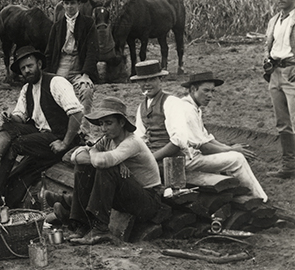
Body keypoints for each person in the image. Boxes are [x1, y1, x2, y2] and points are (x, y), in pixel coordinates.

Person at [0, 46, 84, 206]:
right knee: (9, 127)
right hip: (42, 135)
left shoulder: (56, 82)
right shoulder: (27, 89)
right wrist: (11, 117)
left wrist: (65, 142)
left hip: (61, 137)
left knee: (16, 145)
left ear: (39, 64)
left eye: (29, 66)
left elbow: (76, 113)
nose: (27, 71)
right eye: (23, 68)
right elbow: (21, 116)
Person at [142, 69, 268, 202]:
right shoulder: (186, 110)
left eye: (212, 91)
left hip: (191, 156)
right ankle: (260, 198)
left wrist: (228, 147)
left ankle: (241, 194)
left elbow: (207, 138)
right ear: (192, 89)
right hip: (186, 159)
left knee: (232, 155)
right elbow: (205, 147)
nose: (210, 95)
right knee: (237, 159)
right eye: (206, 91)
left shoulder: (193, 107)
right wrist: (232, 150)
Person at [67, 97, 169, 245]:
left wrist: (94, 152)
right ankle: (83, 224)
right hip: (127, 194)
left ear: (121, 123)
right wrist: (98, 154)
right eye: (101, 124)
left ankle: (100, 229)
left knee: (106, 169)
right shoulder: (107, 139)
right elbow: (74, 157)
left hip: (147, 201)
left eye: (108, 123)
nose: (103, 129)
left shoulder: (132, 142)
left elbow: (101, 161)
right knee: (84, 167)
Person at [44, 0, 98, 120]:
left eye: (73, 3)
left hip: (79, 68)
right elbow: (49, 53)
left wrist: (86, 75)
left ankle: (84, 130)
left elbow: (93, 50)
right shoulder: (57, 26)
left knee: (86, 90)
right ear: (62, 5)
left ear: (79, 4)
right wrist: (48, 75)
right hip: (61, 66)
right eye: (66, 3)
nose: (70, 6)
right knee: (54, 94)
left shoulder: (88, 23)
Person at [264, 0, 295, 178]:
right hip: (275, 72)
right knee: (282, 122)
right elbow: (270, 45)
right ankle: (289, 166)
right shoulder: (274, 20)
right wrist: (266, 59)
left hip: (292, 72)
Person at [132, 60, 184, 159]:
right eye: (143, 80)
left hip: (171, 158)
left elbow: (178, 140)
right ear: (138, 83)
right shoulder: (142, 107)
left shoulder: (171, 102)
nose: (147, 84)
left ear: (160, 80)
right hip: (151, 156)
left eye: (151, 79)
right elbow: (139, 138)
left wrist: (151, 159)